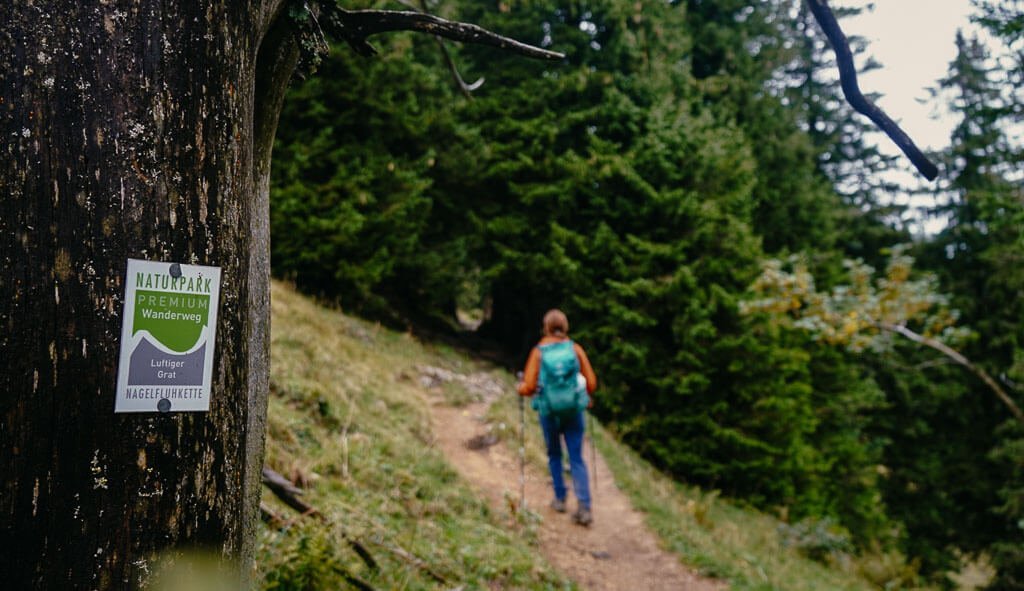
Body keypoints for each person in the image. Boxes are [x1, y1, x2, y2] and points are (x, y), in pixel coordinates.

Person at [517, 309, 598, 526]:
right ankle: (584, 506)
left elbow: (530, 385)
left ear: (545, 327)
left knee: (554, 454)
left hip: (549, 411)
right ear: (565, 326)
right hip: (573, 411)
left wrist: (520, 388)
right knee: (576, 457)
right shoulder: (575, 349)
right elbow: (591, 382)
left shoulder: (539, 352)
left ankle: (560, 499)